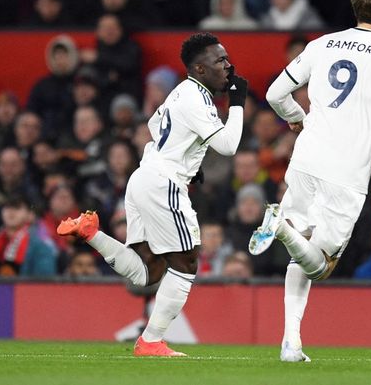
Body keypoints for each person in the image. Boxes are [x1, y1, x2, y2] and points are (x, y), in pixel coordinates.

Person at [249, 0, 371, 362]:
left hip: (306, 159)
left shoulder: (321, 44)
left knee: (301, 255)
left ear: (355, 6)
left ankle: (291, 343)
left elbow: (274, 93)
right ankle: (282, 229)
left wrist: (296, 117)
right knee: (321, 265)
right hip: (346, 169)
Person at [57, 32, 247, 356]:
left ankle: (91, 234)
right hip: (163, 182)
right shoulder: (197, 97)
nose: (228, 66)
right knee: (186, 260)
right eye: (220, 60)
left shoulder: (179, 94)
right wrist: (239, 102)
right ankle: (151, 340)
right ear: (200, 69)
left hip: (144, 177)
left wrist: (189, 162)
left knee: (149, 270)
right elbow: (228, 146)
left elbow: (156, 127)